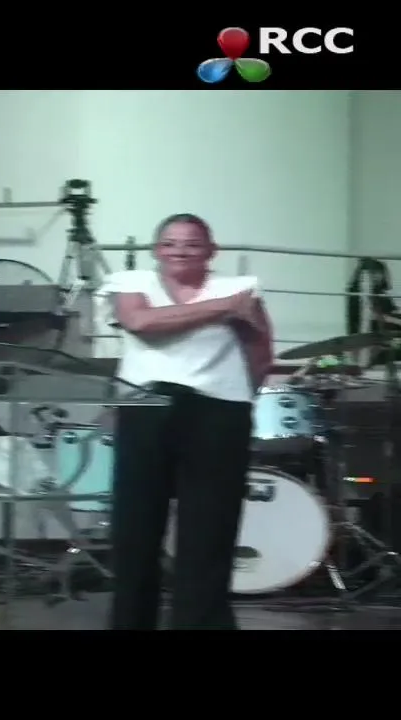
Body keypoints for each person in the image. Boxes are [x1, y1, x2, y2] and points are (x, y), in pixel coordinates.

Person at [101, 212, 274, 630]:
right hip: (146, 407)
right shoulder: (131, 282)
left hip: (217, 410)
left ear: (211, 251)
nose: (180, 250)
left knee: (210, 529)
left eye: (192, 244)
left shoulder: (240, 287)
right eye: (170, 243)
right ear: (156, 250)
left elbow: (260, 351)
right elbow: (141, 323)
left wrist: (242, 395)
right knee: (136, 527)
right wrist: (225, 308)